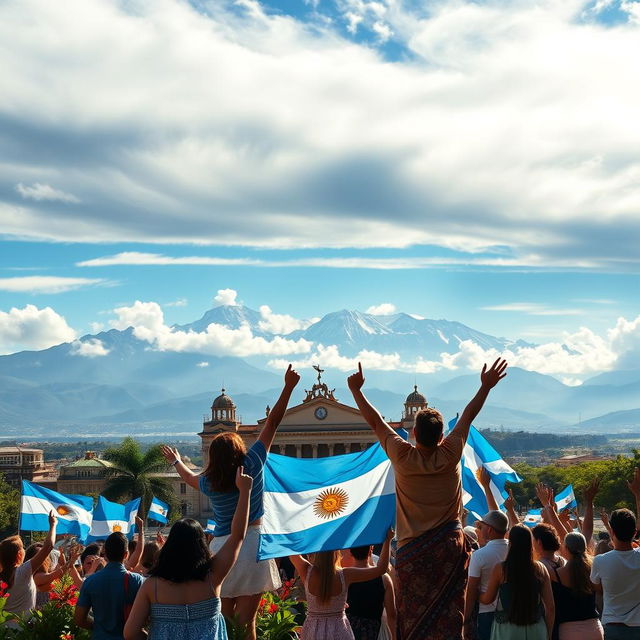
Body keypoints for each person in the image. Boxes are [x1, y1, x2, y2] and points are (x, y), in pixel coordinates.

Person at [347, 359, 508, 640]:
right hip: (448, 548)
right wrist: (485, 387)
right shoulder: (450, 453)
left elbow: (375, 422)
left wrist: (357, 391)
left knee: (412, 613)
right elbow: (469, 416)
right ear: (442, 435)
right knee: (450, 614)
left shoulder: (403, 455)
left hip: (412, 552)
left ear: (413, 433)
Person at [160, 364, 300, 640]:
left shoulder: (210, 480)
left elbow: (189, 478)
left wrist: (176, 460)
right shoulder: (252, 464)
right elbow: (272, 423)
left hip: (221, 549)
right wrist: (288, 387)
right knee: (248, 624)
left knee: (222, 621)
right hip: (252, 548)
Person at [124, 467, 253, 640]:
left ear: (170, 546)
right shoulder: (213, 576)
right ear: (201, 545)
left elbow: (130, 633)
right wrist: (245, 492)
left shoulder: (151, 586)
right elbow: (237, 536)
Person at [290, 530, 392, 640]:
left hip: (313, 630)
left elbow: (289, 549)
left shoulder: (306, 571)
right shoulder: (345, 575)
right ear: (336, 553)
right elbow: (381, 569)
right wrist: (388, 540)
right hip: (339, 630)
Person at [480, 524, 555, 640]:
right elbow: (550, 607)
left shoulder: (501, 569)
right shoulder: (540, 568)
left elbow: (487, 599)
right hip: (536, 629)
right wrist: (548, 634)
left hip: (507, 630)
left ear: (511, 543)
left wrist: (475, 592)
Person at [74, 531, 145, 639]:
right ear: (126, 554)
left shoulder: (90, 581)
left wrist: (98, 626)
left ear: (105, 553)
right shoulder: (137, 581)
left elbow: (79, 619)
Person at [591, 508, 640, 640]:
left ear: (611, 531)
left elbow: (597, 588)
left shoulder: (600, 561)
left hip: (612, 626)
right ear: (635, 532)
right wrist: (637, 494)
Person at [0, 510, 57, 621]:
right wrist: (53, 525)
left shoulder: (3, 575)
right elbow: (48, 546)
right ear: (19, 554)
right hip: (23, 631)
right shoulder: (23, 571)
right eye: (23, 548)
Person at [465, 510, 510, 640]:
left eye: (481, 525)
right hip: (513, 612)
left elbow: (471, 590)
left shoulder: (479, 556)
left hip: (487, 613)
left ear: (489, 529)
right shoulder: (514, 550)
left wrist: (465, 620)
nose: (479, 528)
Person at [552, 532, 602, 640]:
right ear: (585, 547)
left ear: (566, 548)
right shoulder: (593, 568)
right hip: (594, 629)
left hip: (569, 632)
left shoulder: (557, 574)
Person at [343, 544, 397, 640]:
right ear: (371, 550)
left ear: (350, 552)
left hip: (348, 631)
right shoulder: (384, 579)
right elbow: (391, 614)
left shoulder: (344, 576)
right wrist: (393, 636)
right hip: (373, 632)